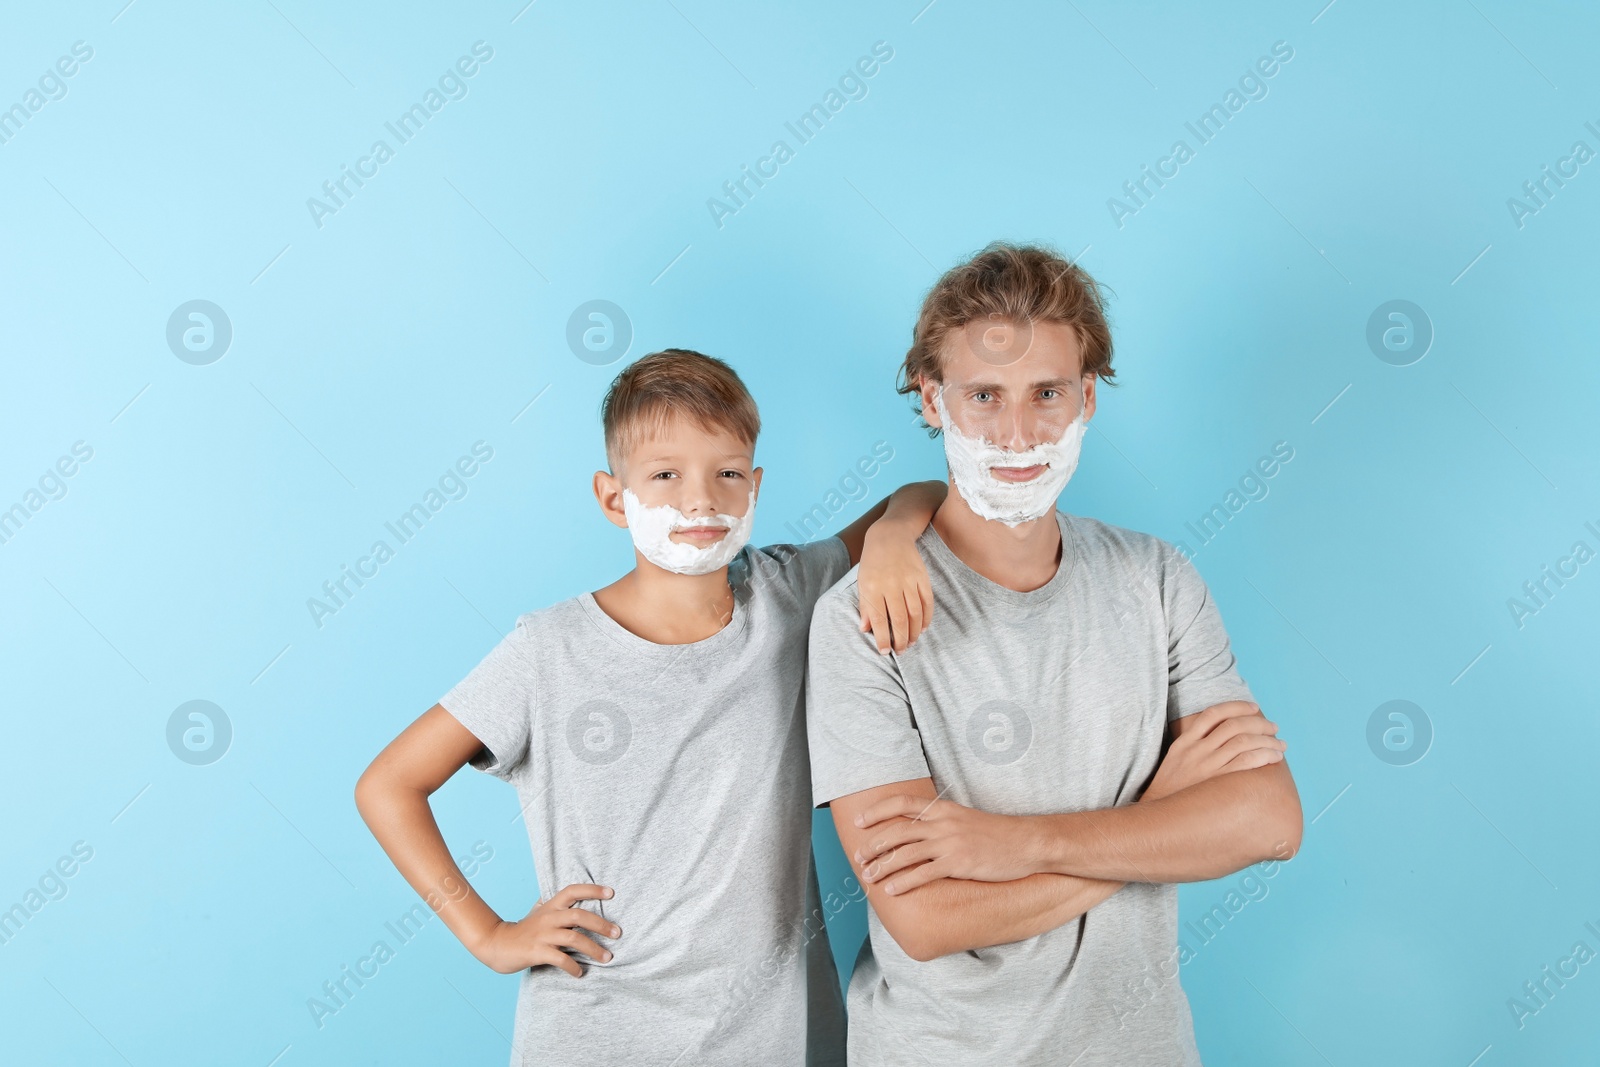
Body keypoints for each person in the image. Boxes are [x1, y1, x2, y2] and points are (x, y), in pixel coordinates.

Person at [355, 348, 947, 1066]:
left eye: (727, 473)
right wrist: (489, 935)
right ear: (613, 497)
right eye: (665, 474)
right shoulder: (549, 649)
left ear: (755, 486)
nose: (700, 499)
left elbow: (921, 491)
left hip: (776, 1033)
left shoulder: (788, 592)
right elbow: (388, 784)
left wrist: (886, 540)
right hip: (597, 1030)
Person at [806, 242, 1303, 1066]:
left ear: (1088, 398)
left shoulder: (1159, 579)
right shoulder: (860, 618)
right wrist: (1153, 820)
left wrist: (1018, 844)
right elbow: (924, 918)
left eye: (1046, 393)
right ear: (934, 401)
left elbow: (1270, 820)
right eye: (982, 396)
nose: (1017, 431)